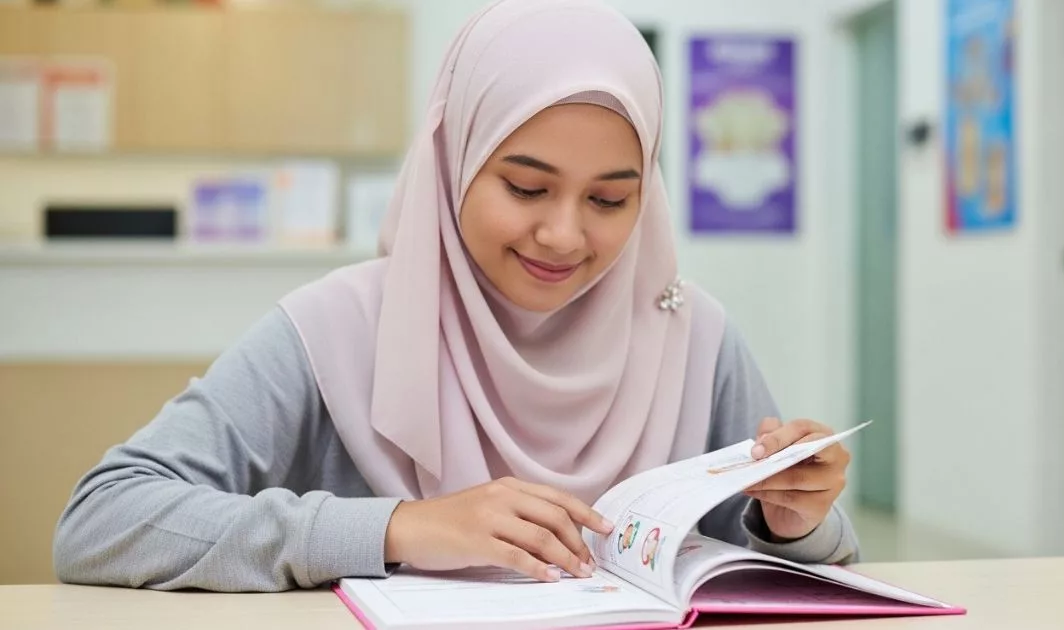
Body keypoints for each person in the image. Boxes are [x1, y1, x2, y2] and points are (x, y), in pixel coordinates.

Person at [53, 0, 858, 593]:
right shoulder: (338, 329)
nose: (563, 235)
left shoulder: (690, 332)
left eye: (610, 199)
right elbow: (103, 522)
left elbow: (764, 567)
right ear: (453, 161)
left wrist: (793, 523)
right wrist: (399, 527)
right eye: (526, 187)